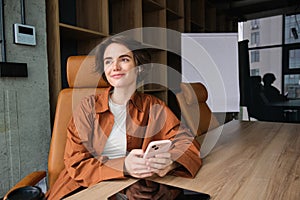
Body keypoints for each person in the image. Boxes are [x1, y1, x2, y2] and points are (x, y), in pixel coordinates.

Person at [46, 35, 201, 199]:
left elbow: (187, 143)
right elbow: (76, 162)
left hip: (139, 190)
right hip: (86, 189)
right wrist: (124, 166)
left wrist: (172, 161)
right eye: (108, 61)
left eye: (124, 59)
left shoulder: (154, 106)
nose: (115, 67)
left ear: (139, 66)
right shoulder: (87, 108)